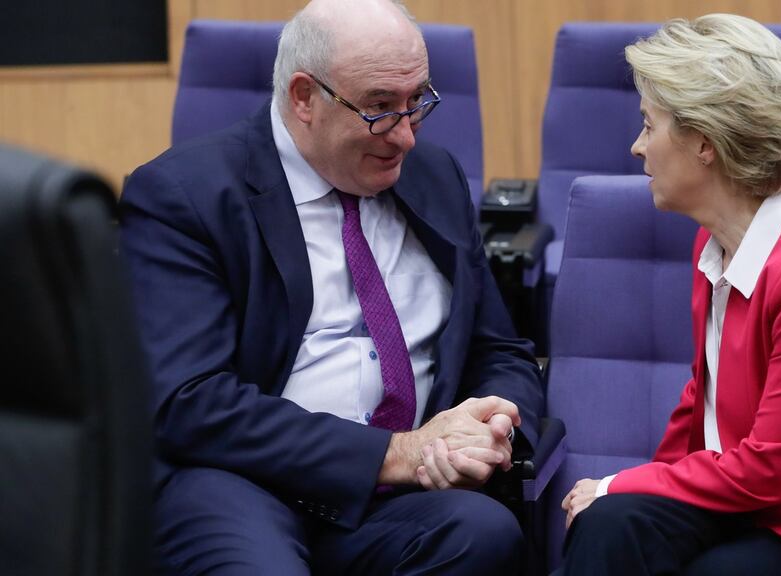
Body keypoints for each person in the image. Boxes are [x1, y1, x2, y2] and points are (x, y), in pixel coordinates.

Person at [118, 0, 543, 574]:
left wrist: (494, 424)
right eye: (379, 109)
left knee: (484, 534)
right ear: (303, 97)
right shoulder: (184, 196)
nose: (405, 136)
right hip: (242, 482)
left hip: (400, 499)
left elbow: (498, 349)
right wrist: (392, 454)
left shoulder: (434, 177)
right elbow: (188, 401)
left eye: (417, 102)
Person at [558, 14, 781, 576]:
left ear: (703, 143)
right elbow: (703, 397)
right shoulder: (717, 240)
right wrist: (631, 496)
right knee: (610, 526)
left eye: (649, 126)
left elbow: (771, 469)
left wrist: (620, 483)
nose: (636, 147)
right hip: (735, 504)